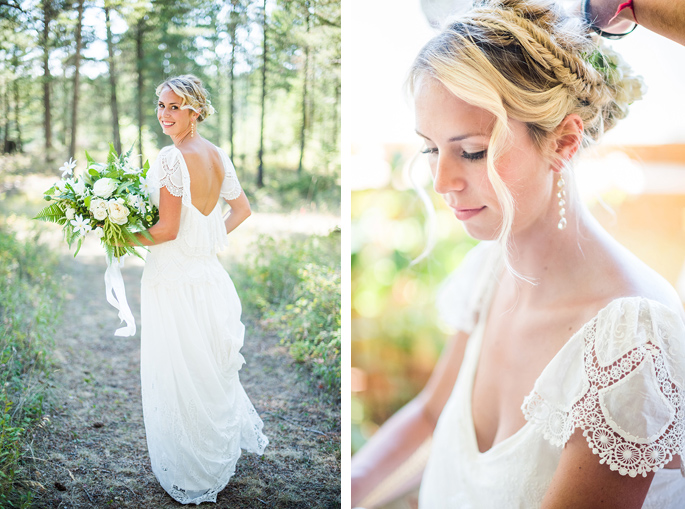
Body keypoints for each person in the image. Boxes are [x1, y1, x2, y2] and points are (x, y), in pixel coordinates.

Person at [351, 0, 685, 507]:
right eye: (430, 149)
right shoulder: (489, 269)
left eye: (472, 151)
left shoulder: (630, 343)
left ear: (564, 141)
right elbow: (430, 412)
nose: (442, 181)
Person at [134, 74, 268, 504]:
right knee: (203, 370)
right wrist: (208, 243)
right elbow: (241, 210)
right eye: (161, 106)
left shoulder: (172, 159)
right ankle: (208, 458)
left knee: (180, 371)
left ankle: (192, 468)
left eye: (175, 107)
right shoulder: (217, 154)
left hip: (173, 280)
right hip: (208, 278)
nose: (165, 115)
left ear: (195, 110)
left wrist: (119, 238)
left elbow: (167, 229)